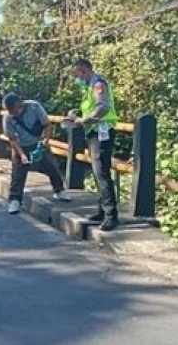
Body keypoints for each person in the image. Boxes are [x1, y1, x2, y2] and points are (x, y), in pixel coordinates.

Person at [69, 58, 120, 231]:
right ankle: (101, 211)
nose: (77, 78)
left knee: (102, 173)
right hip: (95, 131)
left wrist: (83, 120)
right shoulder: (89, 87)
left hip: (102, 132)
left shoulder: (98, 84)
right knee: (98, 173)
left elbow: (103, 108)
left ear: (84, 71)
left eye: (78, 74)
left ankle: (110, 215)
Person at [2, 93, 72, 214]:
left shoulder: (34, 107)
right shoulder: (8, 118)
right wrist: (22, 154)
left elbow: (47, 124)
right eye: (10, 111)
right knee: (18, 172)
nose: (13, 113)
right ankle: (15, 200)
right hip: (21, 145)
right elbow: (12, 139)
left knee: (51, 165)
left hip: (38, 141)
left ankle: (59, 190)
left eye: (14, 110)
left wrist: (44, 140)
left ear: (20, 104)